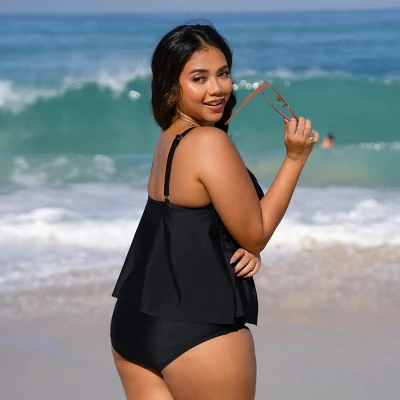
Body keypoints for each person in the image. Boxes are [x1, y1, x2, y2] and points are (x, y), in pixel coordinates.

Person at [110, 23, 318, 400]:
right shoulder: (209, 142)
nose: (217, 88)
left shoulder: (169, 138)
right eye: (199, 78)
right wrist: (295, 158)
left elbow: (187, 226)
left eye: (223, 74)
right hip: (197, 329)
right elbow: (256, 232)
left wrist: (240, 245)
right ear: (171, 87)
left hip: (133, 324)